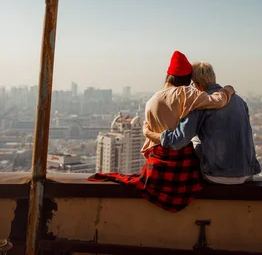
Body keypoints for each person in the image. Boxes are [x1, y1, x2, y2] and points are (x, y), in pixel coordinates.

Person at [90, 51, 235, 213]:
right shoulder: (186, 93)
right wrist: (228, 90)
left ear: (169, 76)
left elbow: (149, 141)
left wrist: (149, 134)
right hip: (183, 170)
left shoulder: (151, 101)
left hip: (156, 169)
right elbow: (218, 101)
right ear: (187, 80)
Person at [152, 62, 261, 184]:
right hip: (247, 173)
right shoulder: (240, 101)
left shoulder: (199, 102)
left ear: (197, 84)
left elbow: (178, 141)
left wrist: (153, 134)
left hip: (216, 174)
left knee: (193, 142)